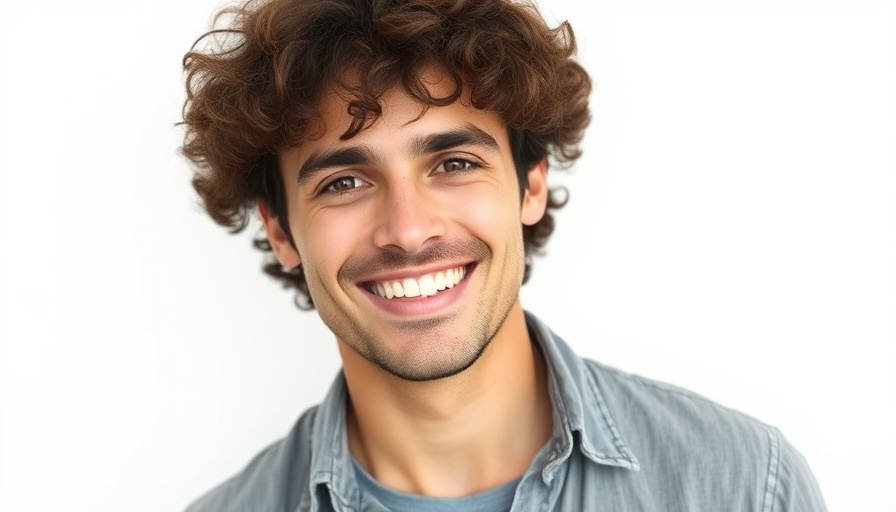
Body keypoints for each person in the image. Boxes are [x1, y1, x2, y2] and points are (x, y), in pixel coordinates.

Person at [179, 0, 827, 510]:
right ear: (281, 230)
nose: (408, 231)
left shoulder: (745, 488)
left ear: (531, 186)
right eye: (344, 182)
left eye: (454, 163)